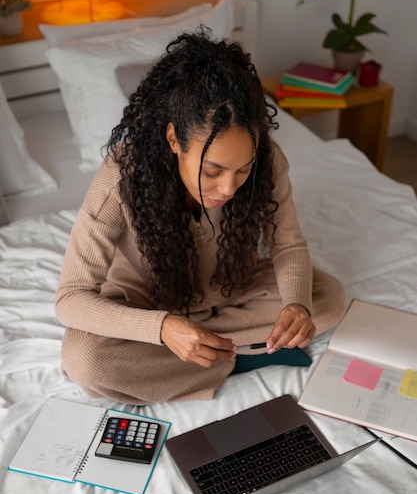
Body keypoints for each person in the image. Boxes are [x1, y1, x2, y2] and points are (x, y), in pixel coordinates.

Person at [55, 28, 345, 405]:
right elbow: (71, 298)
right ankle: (240, 355)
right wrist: (162, 328)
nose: (228, 189)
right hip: (144, 300)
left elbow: (287, 243)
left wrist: (296, 305)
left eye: (243, 171)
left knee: (327, 298)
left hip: (232, 285)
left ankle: (207, 351)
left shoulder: (268, 160)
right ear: (174, 139)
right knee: (86, 361)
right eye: (213, 171)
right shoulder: (120, 179)